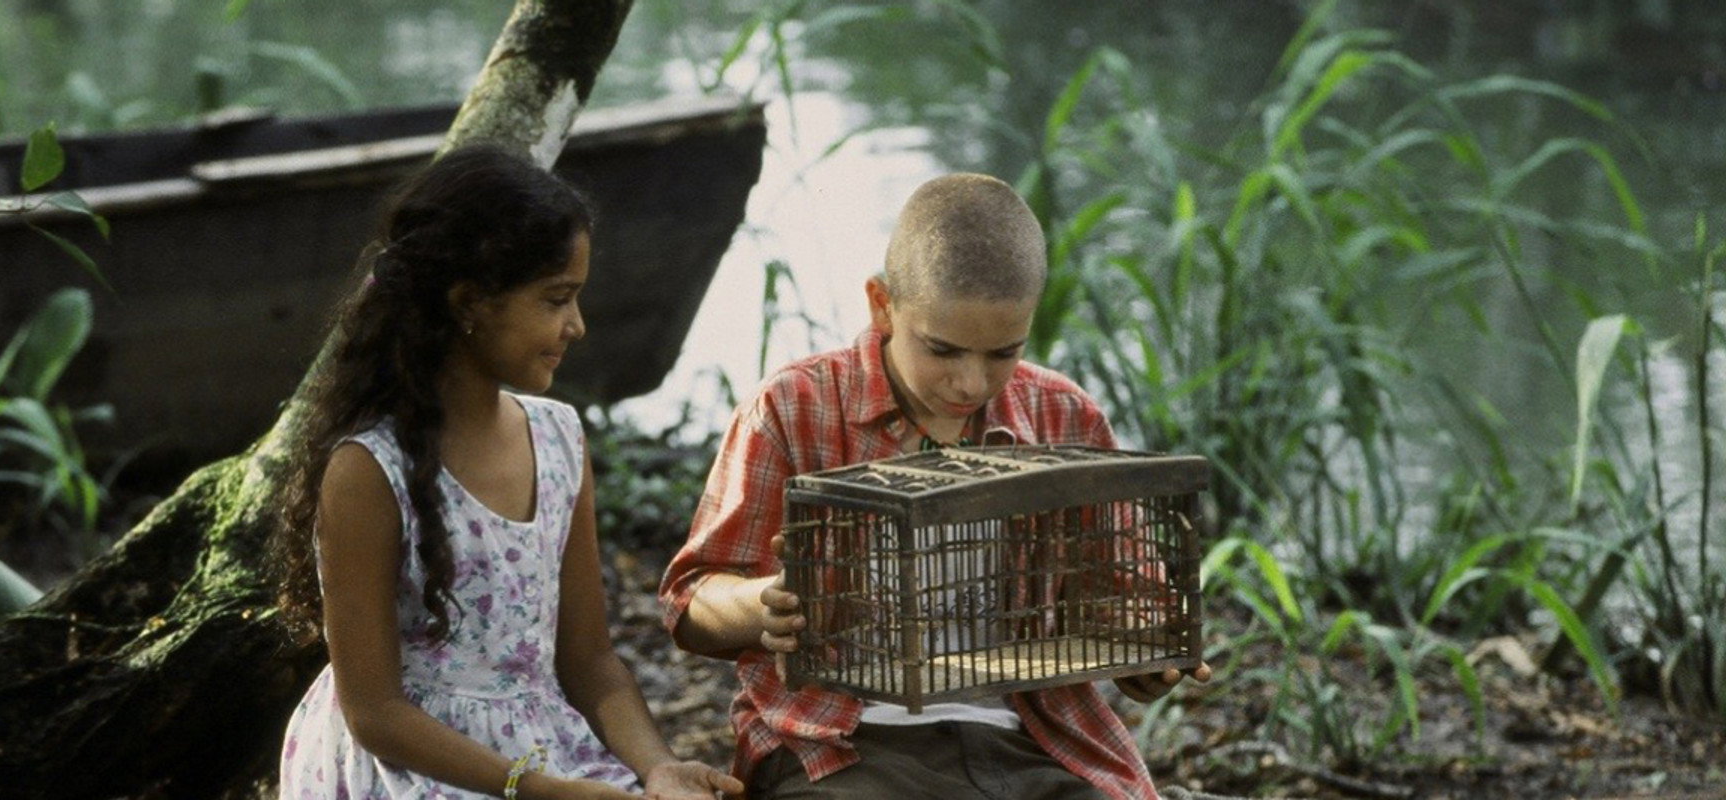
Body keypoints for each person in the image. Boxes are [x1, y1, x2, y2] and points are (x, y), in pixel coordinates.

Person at [659, 173, 1211, 800]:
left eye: (1003, 352)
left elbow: (1128, 593)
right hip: (843, 743)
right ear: (881, 303)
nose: (972, 383)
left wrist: (1146, 652)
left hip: (1030, 736)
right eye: (943, 350)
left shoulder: (1063, 416)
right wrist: (764, 603)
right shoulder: (793, 406)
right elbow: (690, 601)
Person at [270, 145, 743, 800]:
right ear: (469, 302)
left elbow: (591, 662)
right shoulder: (368, 471)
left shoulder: (557, 438)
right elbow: (375, 713)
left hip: (537, 748)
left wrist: (656, 766)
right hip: (412, 766)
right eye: (556, 299)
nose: (576, 325)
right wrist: (539, 789)